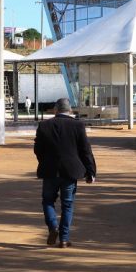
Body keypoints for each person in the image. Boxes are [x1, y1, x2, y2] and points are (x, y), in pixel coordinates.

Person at [33, 97, 97, 248]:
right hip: (70, 172)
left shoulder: (44, 125)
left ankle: (52, 227)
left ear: (55, 109)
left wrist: (45, 161)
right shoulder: (78, 125)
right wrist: (91, 172)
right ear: (69, 110)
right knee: (67, 204)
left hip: (49, 171)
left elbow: (37, 150)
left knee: (48, 201)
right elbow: (85, 151)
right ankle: (64, 238)